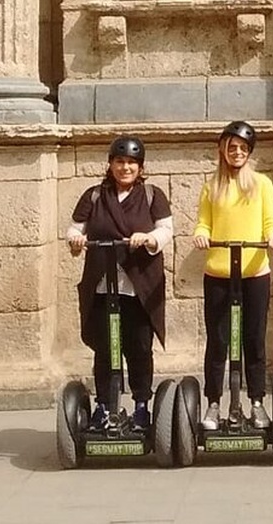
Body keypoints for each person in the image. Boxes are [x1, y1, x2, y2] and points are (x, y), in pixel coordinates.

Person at [67, 136, 173, 431]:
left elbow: (166, 229)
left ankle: (141, 406)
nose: (125, 168)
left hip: (138, 287)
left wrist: (149, 238)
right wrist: (75, 240)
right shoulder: (94, 196)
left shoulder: (152, 195)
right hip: (103, 286)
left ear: (140, 167)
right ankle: (104, 406)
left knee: (139, 346)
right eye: (120, 161)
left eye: (131, 163)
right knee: (105, 347)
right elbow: (75, 228)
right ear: (110, 164)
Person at [192, 121, 273, 430]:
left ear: (249, 152)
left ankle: (256, 401)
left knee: (254, 339)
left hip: (255, 271)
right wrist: (201, 235)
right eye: (232, 148)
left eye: (243, 148)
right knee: (218, 341)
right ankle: (214, 403)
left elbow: (271, 221)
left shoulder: (262, 184)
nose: (237, 153)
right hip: (218, 272)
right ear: (223, 150)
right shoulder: (211, 186)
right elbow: (204, 222)